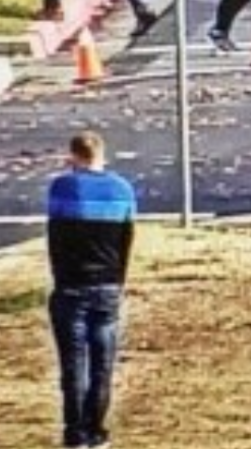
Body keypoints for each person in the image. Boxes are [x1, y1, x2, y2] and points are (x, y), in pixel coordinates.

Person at [47, 130, 136, 449]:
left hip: (71, 285)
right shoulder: (123, 190)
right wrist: (119, 282)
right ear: (102, 154)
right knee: (102, 363)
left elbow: (55, 235)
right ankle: (96, 429)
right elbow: (126, 240)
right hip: (108, 284)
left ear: (73, 156)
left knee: (73, 363)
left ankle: (74, 432)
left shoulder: (62, 187)